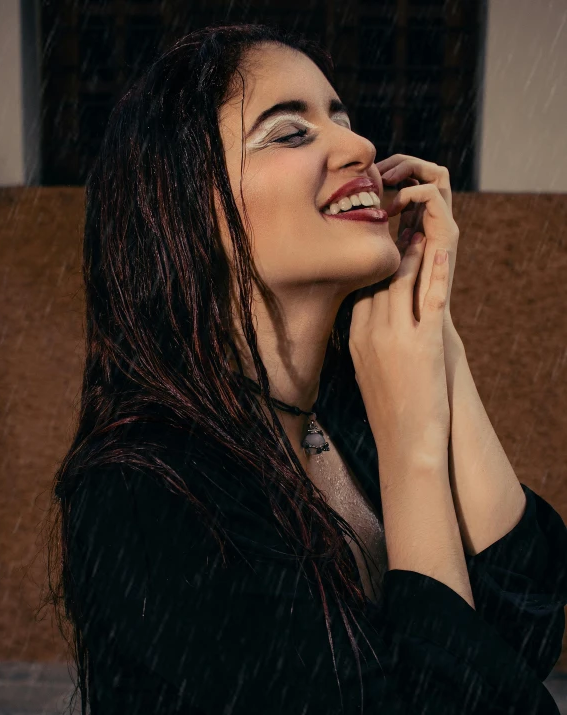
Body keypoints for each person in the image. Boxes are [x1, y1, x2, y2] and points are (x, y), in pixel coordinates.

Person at [47, 22, 567, 715]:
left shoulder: (348, 408)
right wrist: (414, 450)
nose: (360, 147)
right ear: (187, 211)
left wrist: (440, 339)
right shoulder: (145, 495)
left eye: (343, 119)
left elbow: (527, 623)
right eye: (290, 133)